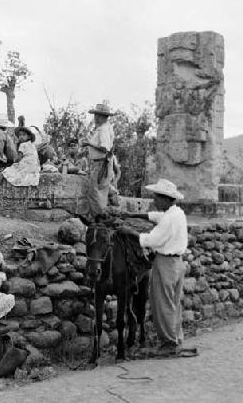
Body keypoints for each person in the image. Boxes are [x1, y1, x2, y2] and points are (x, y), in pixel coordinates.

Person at [118, 179, 197, 358]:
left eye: (156, 198)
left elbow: (151, 240)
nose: (154, 201)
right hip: (177, 263)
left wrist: (128, 231)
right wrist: (132, 215)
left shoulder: (169, 218)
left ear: (165, 199)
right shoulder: (177, 213)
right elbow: (155, 216)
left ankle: (168, 343)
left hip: (165, 263)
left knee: (162, 304)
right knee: (173, 303)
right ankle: (176, 338)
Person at [82, 102, 116, 220]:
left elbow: (104, 148)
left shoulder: (103, 130)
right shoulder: (105, 128)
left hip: (101, 163)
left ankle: (99, 218)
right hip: (103, 163)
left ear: (103, 116)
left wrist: (88, 143)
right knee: (100, 191)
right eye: (95, 115)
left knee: (94, 192)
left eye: (98, 115)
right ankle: (100, 218)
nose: (95, 118)